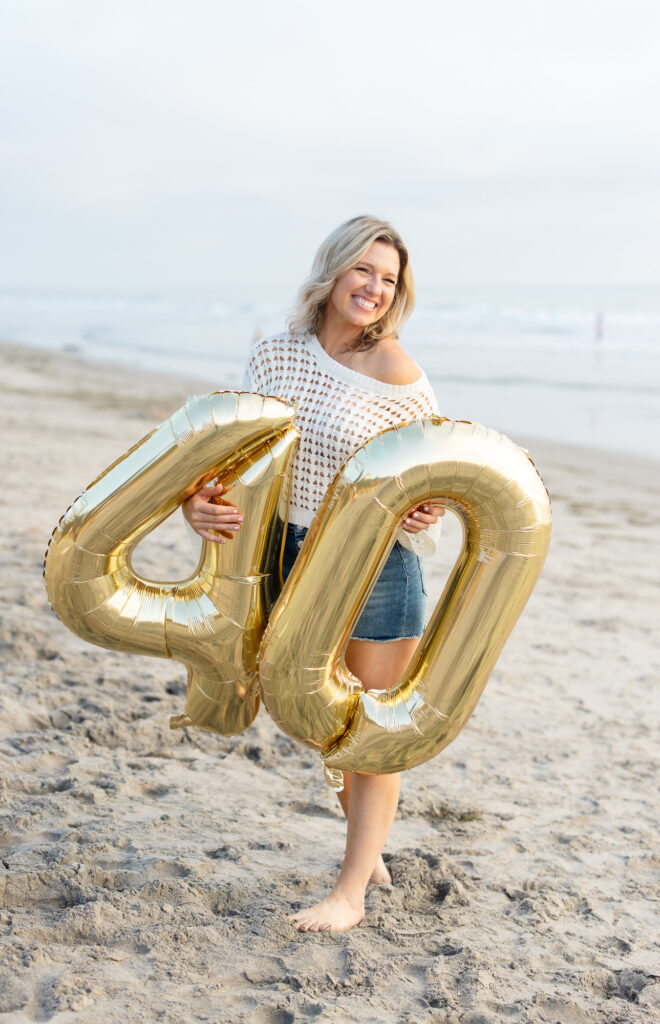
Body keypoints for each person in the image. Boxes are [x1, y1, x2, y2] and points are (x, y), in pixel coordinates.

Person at [183, 216, 444, 931]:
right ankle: (371, 843)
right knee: (314, 720)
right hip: (286, 557)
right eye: (364, 270)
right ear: (332, 271)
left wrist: (427, 513)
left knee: (373, 730)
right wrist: (197, 508)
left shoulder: (401, 375)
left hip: (374, 568)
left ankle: (351, 890)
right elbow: (235, 460)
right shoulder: (275, 357)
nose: (374, 288)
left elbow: (437, 485)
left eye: (388, 279)